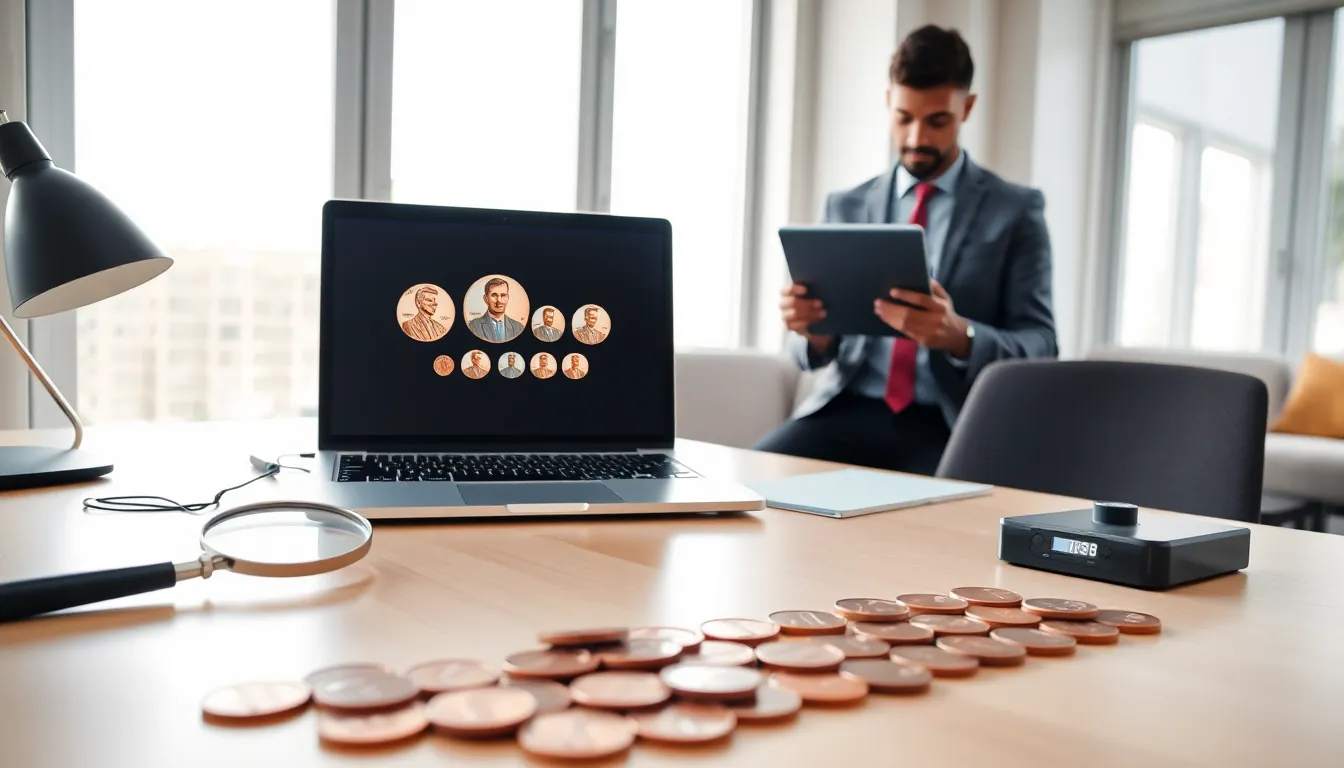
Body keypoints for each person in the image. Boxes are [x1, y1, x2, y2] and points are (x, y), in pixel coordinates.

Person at [754, 25, 1057, 476]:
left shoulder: (1016, 211)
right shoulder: (846, 204)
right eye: (903, 117)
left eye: (937, 120)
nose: (917, 138)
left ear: (967, 108)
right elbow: (805, 352)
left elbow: (1042, 345)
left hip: (950, 423)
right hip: (847, 407)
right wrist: (811, 331)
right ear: (888, 103)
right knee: (752, 487)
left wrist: (961, 336)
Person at [467, 277, 526, 342]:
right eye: (494, 295)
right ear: (486, 299)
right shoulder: (474, 326)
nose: (499, 300)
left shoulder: (519, 327)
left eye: (503, 295)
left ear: (508, 298)